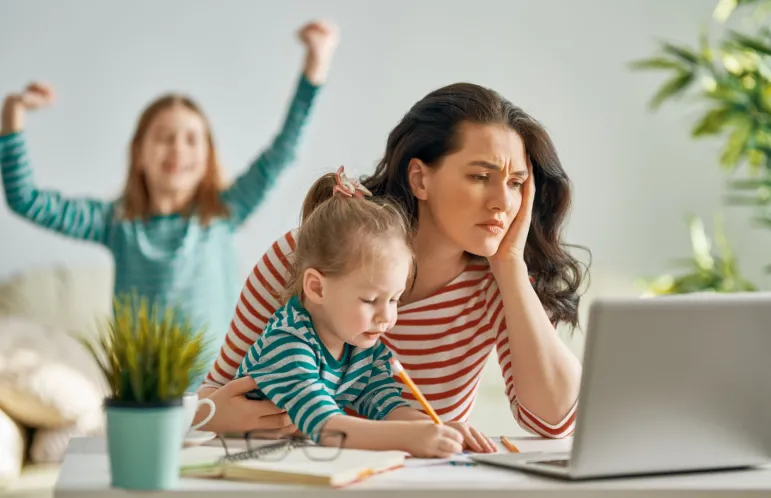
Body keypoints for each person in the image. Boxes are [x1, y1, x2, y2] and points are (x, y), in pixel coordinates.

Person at [198, 82, 587, 445]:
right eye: (481, 176)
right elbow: (211, 397)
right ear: (419, 179)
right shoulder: (303, 257)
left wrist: (511, 266)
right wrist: (214, 416)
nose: (503, 201)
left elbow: (553, 422)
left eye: (517, 183)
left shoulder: (497, 282)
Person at [0, 21, 339, 388]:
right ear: (140, 155)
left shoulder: (223, 212)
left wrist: (315, 65)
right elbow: (26, 200)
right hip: (144, 393)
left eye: (192, 139)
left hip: (221, 389)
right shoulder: (116, 223)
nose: (178, 148)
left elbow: (283, 151)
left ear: (207, 156)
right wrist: (12, 114)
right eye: (164, 137)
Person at [234, 166, 496, 457]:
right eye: (371, 300)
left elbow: (386, 406)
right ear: (317, 288)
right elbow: (325, 427)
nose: (387, 317)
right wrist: (410, 437)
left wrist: (439, 428)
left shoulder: (358, 345)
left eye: (395, 299)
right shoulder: (287, 344)